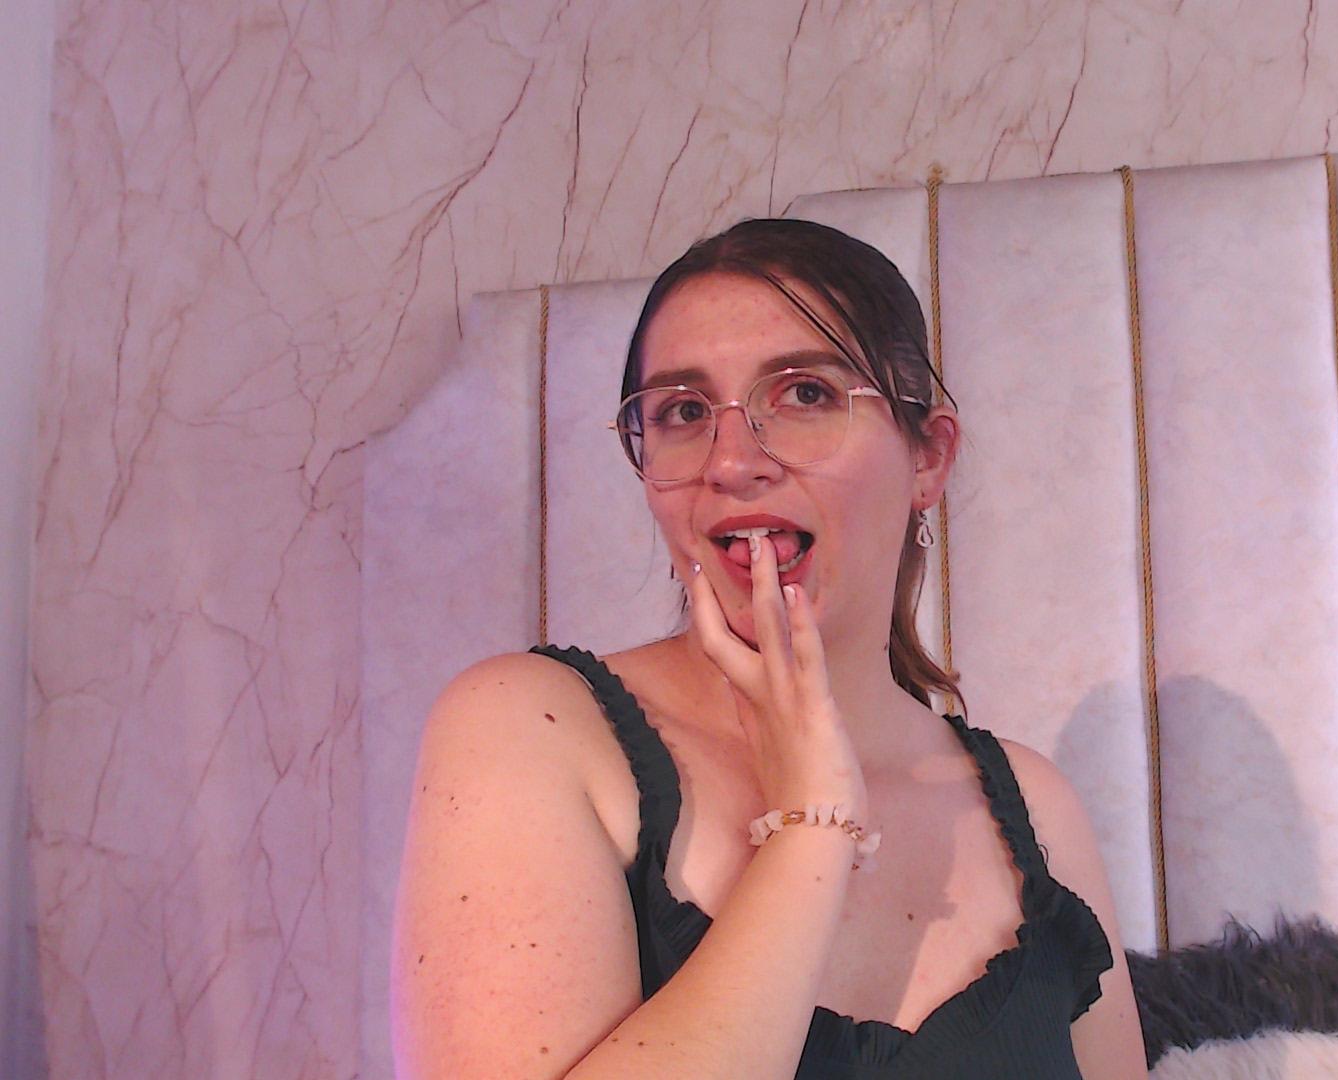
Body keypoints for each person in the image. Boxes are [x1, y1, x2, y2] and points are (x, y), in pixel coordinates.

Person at [389, 218, 1149, 1078]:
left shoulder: (1037, 811)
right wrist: (809, 829)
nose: (731, 461)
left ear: (928, 458)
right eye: (683, 412)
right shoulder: (529, 726)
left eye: (805, 395)